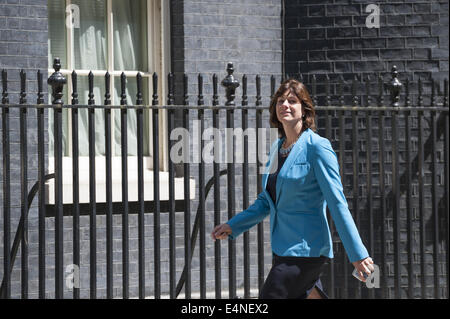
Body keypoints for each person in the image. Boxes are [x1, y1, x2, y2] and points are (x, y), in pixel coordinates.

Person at [211, 79, 374, 299]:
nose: (285, 105)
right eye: (280, 101)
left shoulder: (317, 147)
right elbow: (266, 201)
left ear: (304, 109)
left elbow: (337, 203)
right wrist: (233, 225)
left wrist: (357, 253)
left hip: (305, 249)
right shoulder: (276, 149)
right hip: (282, 248)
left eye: (292, 100)